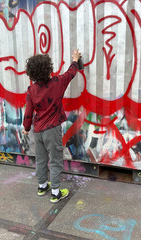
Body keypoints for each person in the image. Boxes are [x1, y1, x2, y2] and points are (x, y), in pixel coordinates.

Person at [22, 49, 81, 203]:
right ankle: (55, 192)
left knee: (41, 159)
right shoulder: (57, 83)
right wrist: (75, 59)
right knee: (55, 161)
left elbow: (28, 112)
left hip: (38, 131)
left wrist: (26, 128)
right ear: (49, 69)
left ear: (31, 73)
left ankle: (42, 186)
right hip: (52, 129)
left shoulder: (31, 90)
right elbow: (71, 73)